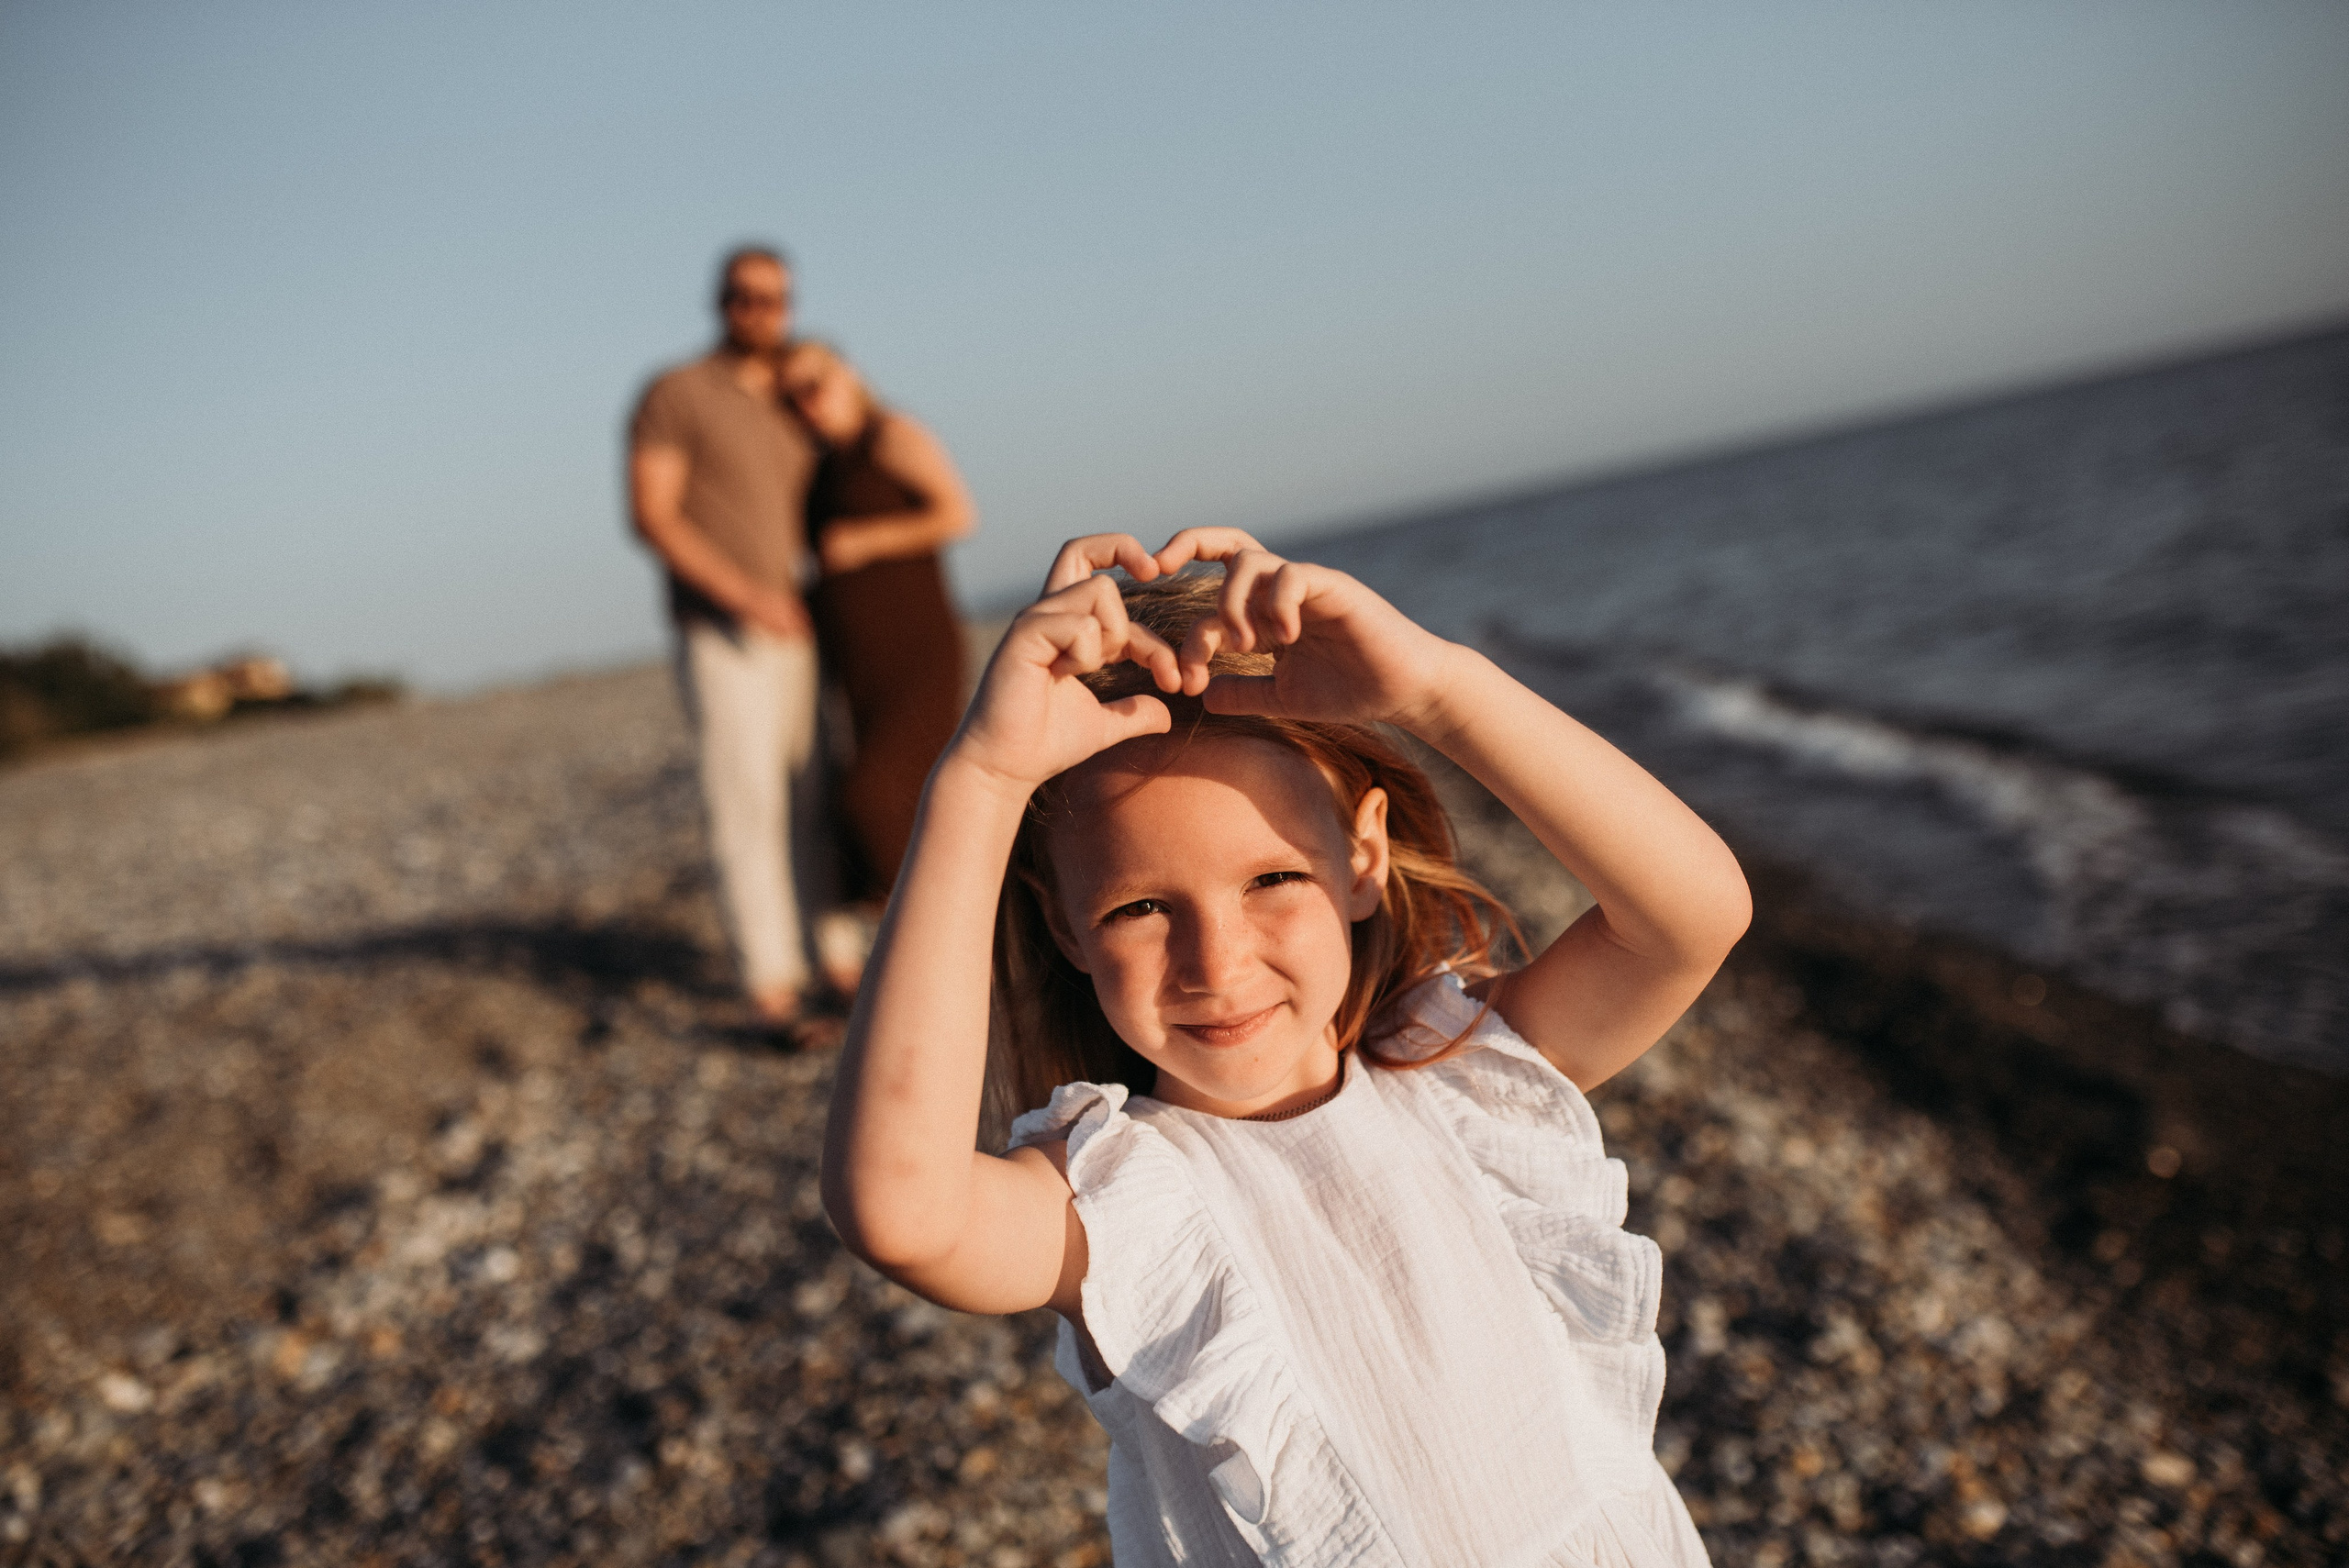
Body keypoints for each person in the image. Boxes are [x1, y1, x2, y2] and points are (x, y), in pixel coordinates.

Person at [823, 528, 1751, 1563]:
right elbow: (900, 1210)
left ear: (1362, 856)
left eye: (1272, 880)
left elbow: (1692, 916)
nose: (1215, 964)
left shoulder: (1461, 1076)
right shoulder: (1121, 1206)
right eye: (1139, 907)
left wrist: (1438, 691)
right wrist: (983, 780)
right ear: (1064, 926)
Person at [628, 245, 830, 1028]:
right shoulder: (676, 393)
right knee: (746, 801)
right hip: (721, 630)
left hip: (804, 629)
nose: (757, 311)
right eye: (742, 296)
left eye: (771, 298)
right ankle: (771, 984)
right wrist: (746, 597)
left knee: (813, 795)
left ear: (789, 306)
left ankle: (835, 957)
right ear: (720, 302)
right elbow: (652, 513)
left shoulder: (794, 398)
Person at [778, 340, 977, 905]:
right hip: (861, 663)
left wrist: (867, 540)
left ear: (847, 375)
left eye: (813, 386)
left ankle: (934, 917)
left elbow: (958, 514)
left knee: (874, 794)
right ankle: (928, 922)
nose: (805, 405)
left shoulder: (890, 433)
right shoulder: (822, 466)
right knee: (906, 798)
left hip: (915, 647)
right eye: (790, 400)